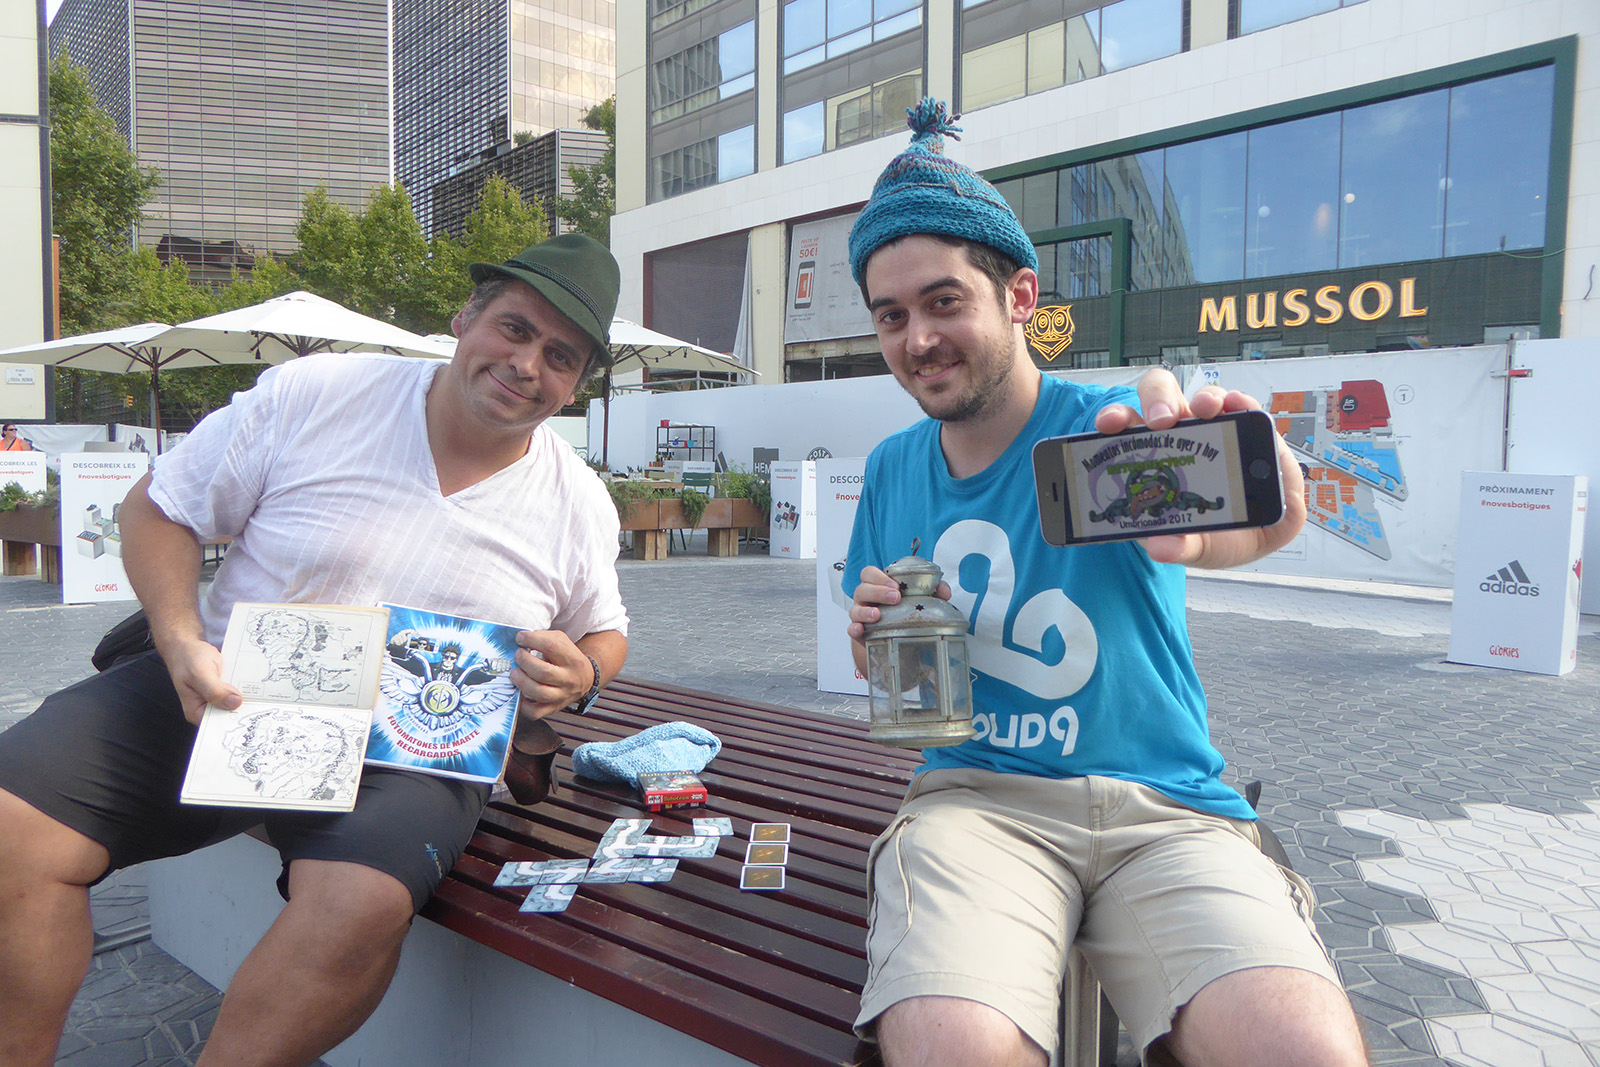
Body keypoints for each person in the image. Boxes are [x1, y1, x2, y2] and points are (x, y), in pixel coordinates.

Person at [0, 233, 630, 1067]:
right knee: (11, 825)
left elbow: (604, 629)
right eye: (514, 329)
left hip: (413, 747)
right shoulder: (320, 391)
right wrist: (179, 637)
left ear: (574, 385)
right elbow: (158, 508)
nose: (526, 364)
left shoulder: (577, 499)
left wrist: (583, 671)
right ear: (464, 318)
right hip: (227, 683)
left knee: (359, 905)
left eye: (559, 356)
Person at [842, 101, 1368, 1067]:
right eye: (891, 314)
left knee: (1306, 1051)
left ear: (1020, 297)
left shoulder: (1116, 429)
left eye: (944, 300)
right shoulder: (889, 467)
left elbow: (1227, 535)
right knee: (953, 1048)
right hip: (974, 801)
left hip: (1166, 807)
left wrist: (1260, 509)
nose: (917, 337)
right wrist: (872, 630)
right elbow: (874, 646)